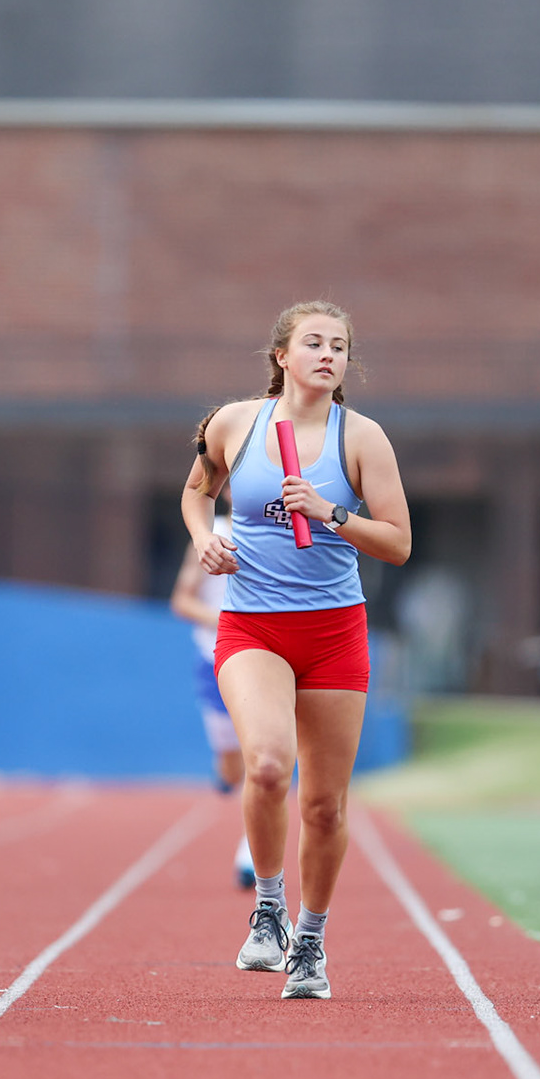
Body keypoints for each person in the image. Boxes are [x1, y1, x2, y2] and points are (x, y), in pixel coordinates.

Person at [183, 301, 411, 1000]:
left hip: (335, 631)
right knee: (269, 765)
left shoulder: (362, 438)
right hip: (253, 627)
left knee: (324, 806)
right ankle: (269, 908)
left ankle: (310, 940)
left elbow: (398, 543)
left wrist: (331, 513)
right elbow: (197, 493)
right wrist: (204, 538)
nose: (328, 354)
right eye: (313, 342)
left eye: (339, 346)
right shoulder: (235, 424)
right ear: (282, 354)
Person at [170, 512, 255, 889]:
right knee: (233, 764)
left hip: (265, 658)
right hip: (215, 659)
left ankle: (251, 851)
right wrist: (228, 621)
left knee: (265, 759)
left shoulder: (284, 531)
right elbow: (182, 602)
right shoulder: (212, 535)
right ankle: (225, 772)